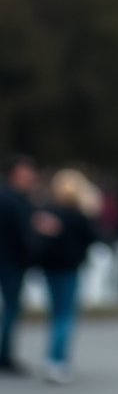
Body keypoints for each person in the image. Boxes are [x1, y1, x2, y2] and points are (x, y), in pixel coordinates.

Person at [34, 168, 101, 383]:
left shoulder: (48, 211)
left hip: (51, 268)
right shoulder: (79, 215)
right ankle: (58, 360)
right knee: (65, 316)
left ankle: (52, 358)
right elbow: (94, 237)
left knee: (56, 313)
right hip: (68, 268)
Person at [0, 154, 40, 376]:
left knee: (11, 308)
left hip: (11, 260)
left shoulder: (16, 198)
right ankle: (4, 356)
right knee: (12, 309)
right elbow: (24, 235)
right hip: (11, 261)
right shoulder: (14, 200)